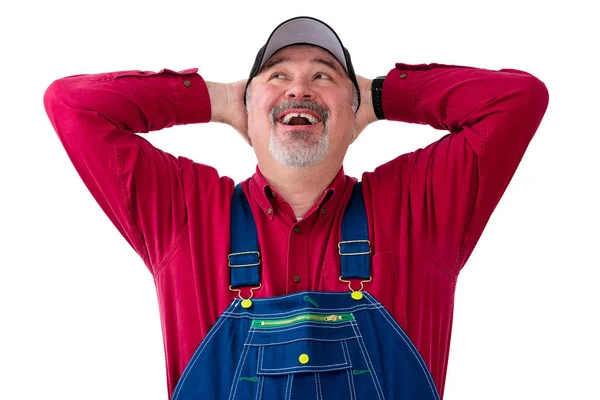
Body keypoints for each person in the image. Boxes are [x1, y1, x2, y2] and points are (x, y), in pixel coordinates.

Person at [43, 15, 549, 400]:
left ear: (355, 116)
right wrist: (217, 99)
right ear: (248, 107)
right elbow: (73, 105)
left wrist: (379, 94)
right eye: (277, 75)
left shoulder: (422, 207)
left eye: (325, 76)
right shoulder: (184, 212)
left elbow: (517, 99)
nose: (298, 88)